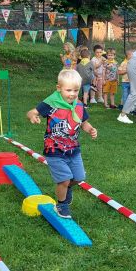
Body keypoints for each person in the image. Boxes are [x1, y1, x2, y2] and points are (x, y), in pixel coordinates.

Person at [26, 69, 98, 219]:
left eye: (76, 90)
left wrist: (90, 129)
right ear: (59, 88)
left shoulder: (78, 105)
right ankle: (61, 204)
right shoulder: (51, 103)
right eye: (68, 90)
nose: (72, 94)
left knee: (79, 177)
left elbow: (83, 123)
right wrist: (33, 116)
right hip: (54, 149)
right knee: (64, 179)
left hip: (73, 149)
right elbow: (31, 112)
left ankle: (67, 188)